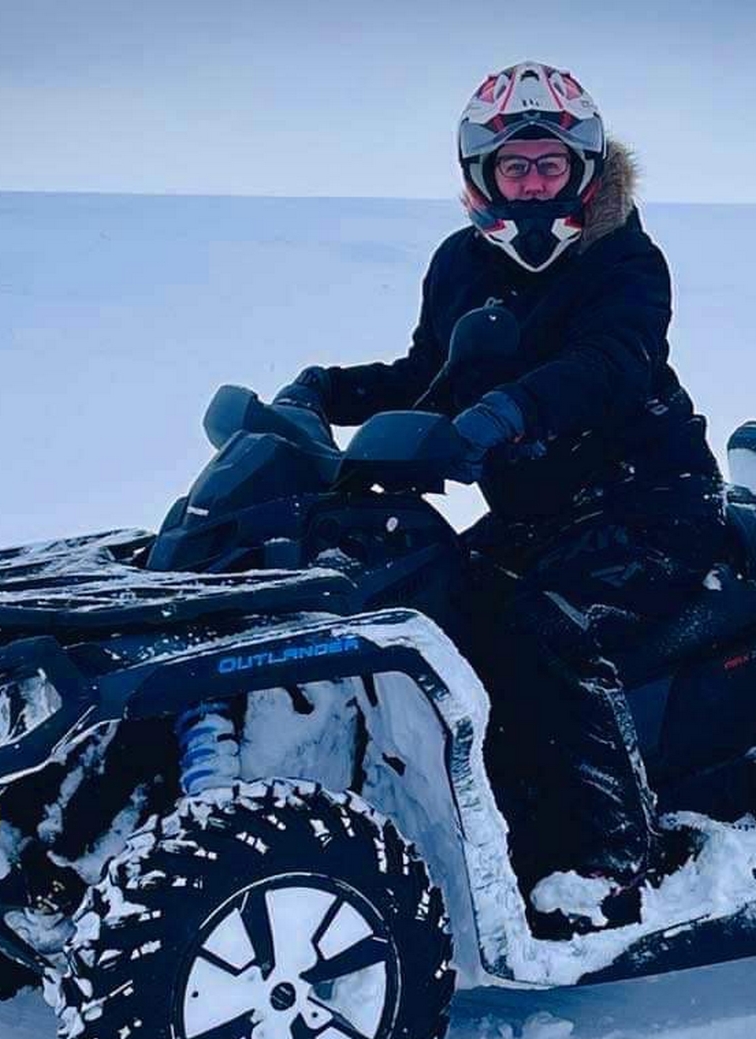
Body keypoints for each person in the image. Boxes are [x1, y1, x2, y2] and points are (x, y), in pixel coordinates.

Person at [274, 61, 728, 935]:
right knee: (432, 608)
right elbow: (430, 372)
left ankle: (604, 864)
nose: (530, 186)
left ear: (584, 170)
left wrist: (509, 412)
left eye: (547, 167)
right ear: (482, 175)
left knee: (546, 629)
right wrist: (325, 393)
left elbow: (611, 365)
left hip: (651, 502)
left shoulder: (622, 257)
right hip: (539, 512)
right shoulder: (460, 263)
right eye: (513, 169)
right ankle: (479, 821)